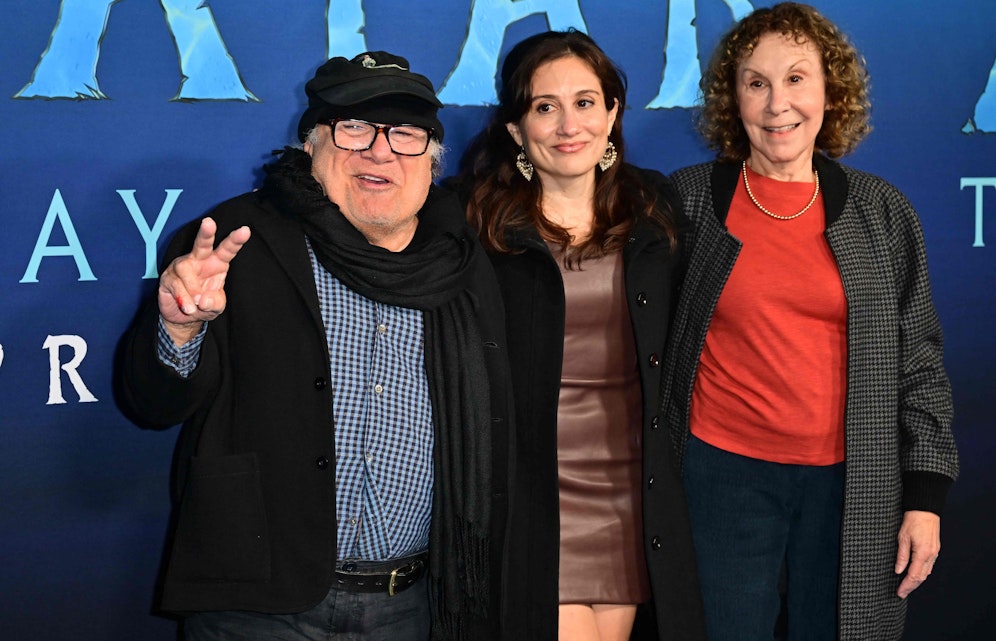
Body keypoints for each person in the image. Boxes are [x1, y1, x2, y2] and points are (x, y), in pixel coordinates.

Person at [118, 51, 512, 641]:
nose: (379, 151)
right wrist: (180, 329)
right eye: (352, 127)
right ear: (310, 147)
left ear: (432, 163)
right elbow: (151, 405)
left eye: (405, 135)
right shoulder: (236, 240)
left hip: (414, 606)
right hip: (257, 602)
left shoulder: (463, 261)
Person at [662, 3, 960, 640]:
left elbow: (920, 362)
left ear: (831, 90)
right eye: (757, 82)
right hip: (720, 477)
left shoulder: (882, 212)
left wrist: (925, 497)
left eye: (796, 79)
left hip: (855, 484)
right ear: (731, 97)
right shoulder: (685, 202)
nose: (777, 106)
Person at [453, 30, 706, 641]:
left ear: (613, 113)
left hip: (632, 494)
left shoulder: (657, 211)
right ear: (516, 129)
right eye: (545, 106)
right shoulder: (470, 220)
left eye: (586, 102)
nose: (569, 124)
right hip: (531, 497)